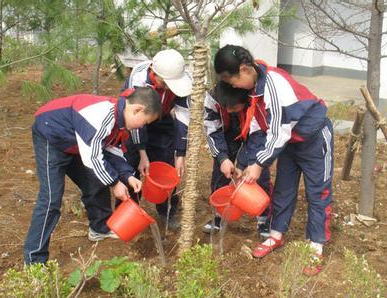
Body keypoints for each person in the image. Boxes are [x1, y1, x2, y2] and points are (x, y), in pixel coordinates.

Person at [214, 45, 333, 275]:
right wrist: (246, 164)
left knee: (318, 192)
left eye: (233, 81)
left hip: (314, 138)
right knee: (283, 189)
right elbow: (259, 131)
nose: (233, 87)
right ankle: (276, 235)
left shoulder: (274, 84)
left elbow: (280, 132)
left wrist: (259, 164)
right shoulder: (254, 91)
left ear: (245, 69)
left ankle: (315, 246)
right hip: (289, 144)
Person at [23, 87, 162, 265]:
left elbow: (112, 149)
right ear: (137, 110)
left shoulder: (118, 122)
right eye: (145, 122)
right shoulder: (101, 116)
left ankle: (99, 228)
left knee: (96, 181)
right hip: (52, 137)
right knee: (51, 198)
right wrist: (115, 183)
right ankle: (34, 260)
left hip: (76, 142)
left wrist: (126, 176)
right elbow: (93, 158)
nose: (142, 127)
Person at [122, 49, 192, 228]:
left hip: (162, 119)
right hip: (136, 120)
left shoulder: (182, 81)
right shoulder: (139, 79)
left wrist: (180, 154)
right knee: (131, 164)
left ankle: (167, 211)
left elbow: (183, 118)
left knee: (166, 166)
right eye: (165, 83)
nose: (169, 87)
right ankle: (129, 212)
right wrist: (142, 153)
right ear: (154, 72)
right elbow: (135, 120)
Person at [202, 81, 272, 236]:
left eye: (233, 108)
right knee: (221, 173)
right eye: (225, 107)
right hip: (226, 132)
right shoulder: (213, 98)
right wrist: (222, 158)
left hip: (253, 131)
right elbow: (212, 130)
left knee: (258, 173)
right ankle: (220, 215)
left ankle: (264, 219)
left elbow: (259, 136)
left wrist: (248, 162)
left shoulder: (255, 100)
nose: (228, 110)